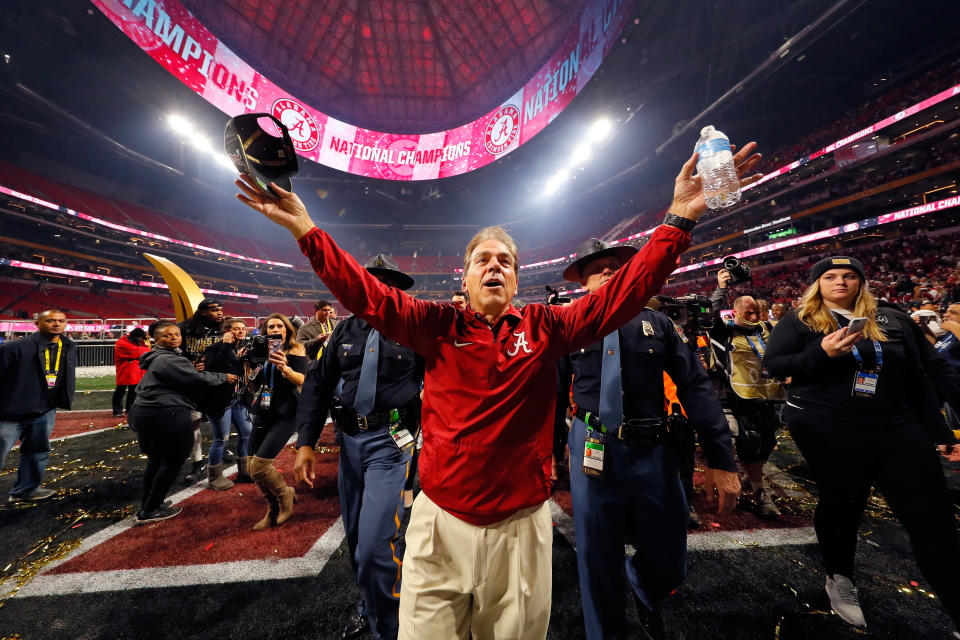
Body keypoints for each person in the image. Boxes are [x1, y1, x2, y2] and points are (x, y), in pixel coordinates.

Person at [234, 139, 762, 639]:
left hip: (520, 527)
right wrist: (306, 229)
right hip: (440, 522)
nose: (494, 265)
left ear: (515, 281)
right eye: (482, 259)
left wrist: (680, 219)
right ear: (463, 279)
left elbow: (622, 295)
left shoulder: (547, 327)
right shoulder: (433, 325)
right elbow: (366, 293)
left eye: (504, 261)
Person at [764, 256, 960, 632]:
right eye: (831, 276)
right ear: (817, 284)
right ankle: (840, 577)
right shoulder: (799, 320)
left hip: (897, 426)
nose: (841, 282)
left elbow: (921, 374)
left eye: (850, 275)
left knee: (933, 519)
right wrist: (821, 353)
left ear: (861, 282)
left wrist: (939, 432)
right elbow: (773, 366)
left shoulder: (892, 317)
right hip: (831, 428)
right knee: (843, 504)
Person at [558, 239, 739, 640]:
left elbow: (696, 386)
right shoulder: (568, 324)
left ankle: (645, 586)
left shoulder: (658, 324)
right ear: (583, 282)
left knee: (669, 554)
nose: (607, 271)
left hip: (654, 450)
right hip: (593, 445)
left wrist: (721, 457)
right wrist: (549, 453)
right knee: (595, 556)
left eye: (614, 266)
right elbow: (552, 394)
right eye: (597, 268)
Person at [296, 254, 424, 640]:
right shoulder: (343, 332)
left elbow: (436, 386)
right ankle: (368, 606)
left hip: (391, 443)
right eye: (368, 283)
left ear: (396, 291)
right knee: (356, 541)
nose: (376, 291)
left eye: (385, 285)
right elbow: (317, 384)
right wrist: (306, 442)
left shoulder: (415, 331)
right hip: (350, 443)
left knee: (374, 545)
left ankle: (390, 626)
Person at [128, 321, 236, 524]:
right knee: (172, 462)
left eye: (177, 334)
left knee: (156, 461)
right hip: (166, 413)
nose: (174, 337)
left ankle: (149, 504)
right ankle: (149, 511)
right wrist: (224, 377)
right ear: (156, 339)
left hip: (144, 411)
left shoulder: (160, 357)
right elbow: (196, 380)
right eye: (168, 335)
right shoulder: (168, 359)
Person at [708, 271, 787, 519]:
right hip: (738, 398)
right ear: (735, 312)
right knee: (747, 442)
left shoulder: (769, 328)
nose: (753, 317)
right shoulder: (725, 331)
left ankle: (751, 477)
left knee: (765, 445)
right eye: (747, 312)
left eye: (756, 312)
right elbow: (711, 314)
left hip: (771, 397)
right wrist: (721, 287)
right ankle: (760, 492)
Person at [0, 310, 76, 502]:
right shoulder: (15, 348)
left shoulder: (68, 347)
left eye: (61, 321)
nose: (56, 324)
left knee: (37, 451)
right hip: (10, 411)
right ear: (37, 323)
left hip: (44, 410)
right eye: (50, 320)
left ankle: (26, 490)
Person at [245, 313, 307, 529]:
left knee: (260, 466)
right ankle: (272, 509)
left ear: (287, 329)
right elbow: (254, 382)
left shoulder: (295, 349)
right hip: (263, 409)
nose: (274, 329)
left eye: (279, 325)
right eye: (270, 326)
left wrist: (285, 368)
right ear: (265, 331)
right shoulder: (260, 351)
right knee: (250, 466)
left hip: (286, 412)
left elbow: (304, 380)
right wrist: (247, 365)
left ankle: (284, 498)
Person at [203, 317, 255, 489]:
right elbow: (213, 367)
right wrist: (225, 345)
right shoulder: (215, 348)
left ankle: (245, 471)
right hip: (219, 400)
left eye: (243, 328)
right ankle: (214, 478)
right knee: (221, 438)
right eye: (236, 329)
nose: (241, 331)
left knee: (247, 433)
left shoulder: (245, 349)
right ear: (227, 332)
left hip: (239, 399)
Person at [178, 298, 225, 483]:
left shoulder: (223, 328)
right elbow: (174, 352)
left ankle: (221, 445)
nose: (220, 312)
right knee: (194, 422)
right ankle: (197, 462)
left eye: (221, 309)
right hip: (194, 382)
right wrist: (188, 365)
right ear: (203, 311)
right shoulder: (184, 328)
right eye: (215, 309)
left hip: (216, 381)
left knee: (222, 420)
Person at [113, 327, 149, 417]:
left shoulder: (138, 342)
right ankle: (117, 411)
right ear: (137, 337)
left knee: (133, 391)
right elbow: (135, 351)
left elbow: (143, 351)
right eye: (141, 338)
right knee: (120, 390)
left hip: (135, 371)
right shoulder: (122, 342)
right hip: (125, 370)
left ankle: (130, 410)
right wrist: (145, 352)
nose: (142, 340)